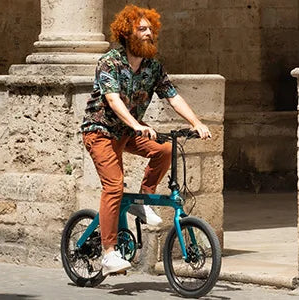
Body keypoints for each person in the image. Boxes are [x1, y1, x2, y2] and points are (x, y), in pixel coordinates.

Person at [82, 4, 213, 274]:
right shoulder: (110, 62)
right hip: (101, 131)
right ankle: (108, 253)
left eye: (151, 29)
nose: (149, 33)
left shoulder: (153, 67)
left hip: (129, 132)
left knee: (164, 149)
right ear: (126, 33)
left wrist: (196, 122)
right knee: (114, 186)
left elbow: (172, 96)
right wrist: (135, 124)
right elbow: (112, 98)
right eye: (142, 29)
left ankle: (144, 200)